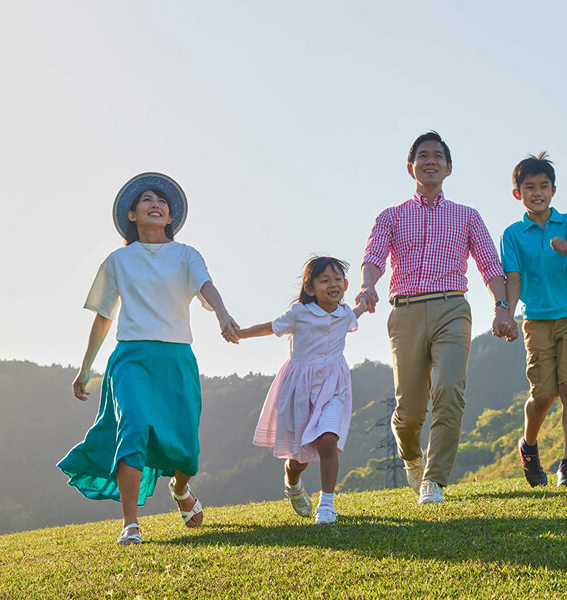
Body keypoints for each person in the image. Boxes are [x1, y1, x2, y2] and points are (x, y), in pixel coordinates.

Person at [58, 172, 239, 545]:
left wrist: (222, 314)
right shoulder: (118, 261)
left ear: (170, 218)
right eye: (147, 201)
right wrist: (85, 366)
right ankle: (130, 523)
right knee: (133, 428)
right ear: (132, 215)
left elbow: (207, 287)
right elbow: (104, 315)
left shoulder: (187, 255)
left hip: (176, 359)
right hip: (131, 358)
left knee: (186, 449)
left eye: (162, 202)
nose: (156, 205)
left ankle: (180, 488)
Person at [356, 131, 518, 505]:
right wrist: (367, 287)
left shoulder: (467, 216)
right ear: (411, 166)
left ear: (448, 167)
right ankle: (412, 456)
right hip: (406, 311)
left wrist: (501, 307)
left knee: (448, 389)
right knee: (410, 411)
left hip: (452, 309)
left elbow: (490, 266)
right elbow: (374, 257)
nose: (430, 161)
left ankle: (435, 480)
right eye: (423, 156)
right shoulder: (392, 216)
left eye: (438, 156)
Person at [235, 257, 367, 525]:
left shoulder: (345, 315)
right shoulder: (299, 313)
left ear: (346, 284)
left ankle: (326, 506)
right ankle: (292, 482)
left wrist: (365, 302)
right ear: (310, 288)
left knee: (328, 441)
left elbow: (357, 312)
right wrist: (241, 334)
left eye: (338, 279)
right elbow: (270, 327)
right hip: (301, 390)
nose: (333, 284)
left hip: (333, 388)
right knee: (299, 459)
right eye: (325, 279)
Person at [501, 152, 567, 487]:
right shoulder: (512, 235)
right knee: (543, 395)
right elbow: (514, 278)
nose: (537, 192)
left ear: (554, 190)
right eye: (529, 187)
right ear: (518, 194)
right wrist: (506, 315)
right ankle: (528, 446)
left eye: (543, 186)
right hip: (537, 319)